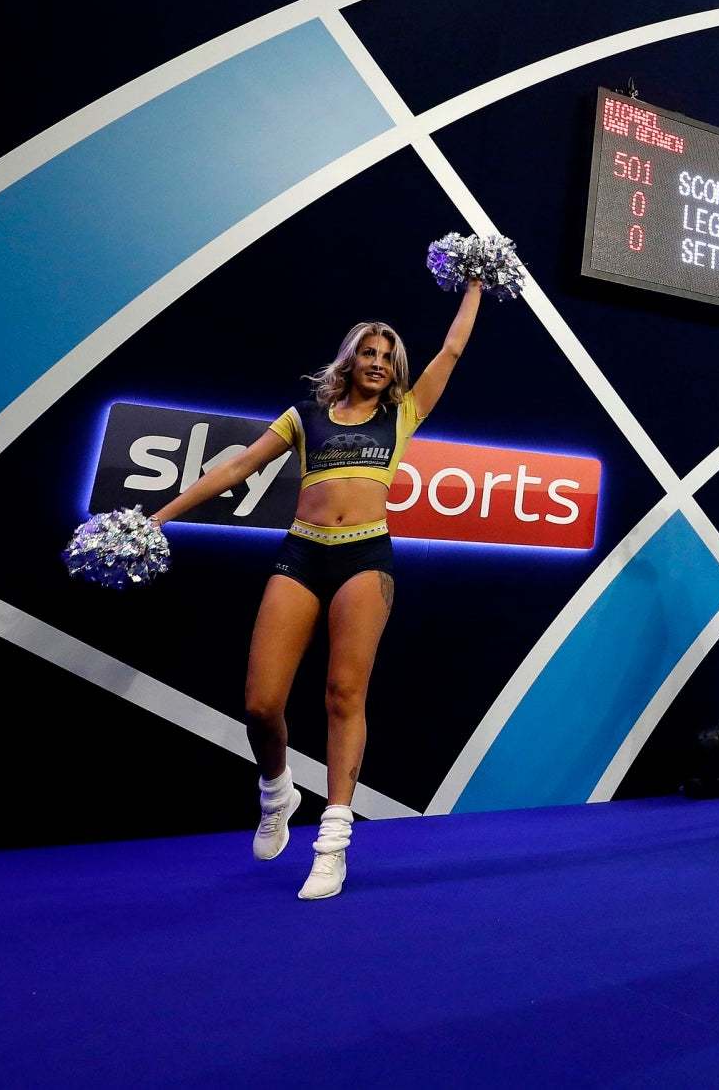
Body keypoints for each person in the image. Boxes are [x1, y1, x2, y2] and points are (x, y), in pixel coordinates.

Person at [147, 282, 483, 899]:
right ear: (349, 360)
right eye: (369, 353)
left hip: (365, 556)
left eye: (388, 356)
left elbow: (454, 349)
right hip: (302, 552)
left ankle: (332, 841)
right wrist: (158, 519)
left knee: (343, 695)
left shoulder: (403, 414)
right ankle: (277, 791)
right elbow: (234, 468)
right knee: (260, 703)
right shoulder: (303, 419)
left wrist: (475, 281)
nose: (379, 363)